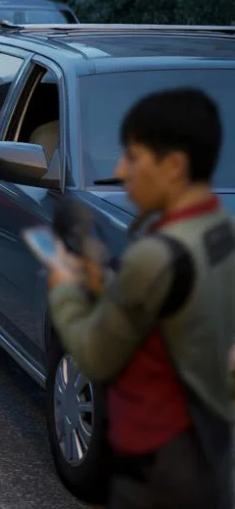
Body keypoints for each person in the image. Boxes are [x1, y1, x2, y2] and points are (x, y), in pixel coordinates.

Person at [41, 88, 233, 509]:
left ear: (174, 166)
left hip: (158, 468)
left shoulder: (156, 256)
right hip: (211, 453)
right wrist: (108, 283)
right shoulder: (220, 230)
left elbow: (95, 357)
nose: (121, 170)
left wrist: (65, 286)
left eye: (133, 157)